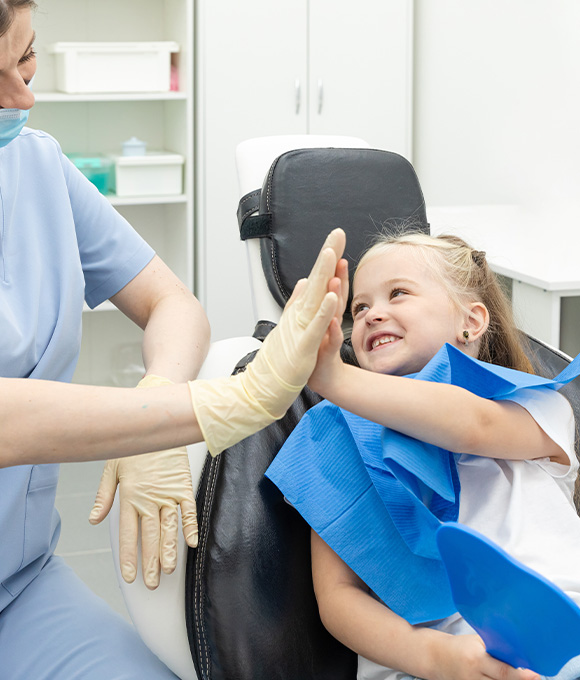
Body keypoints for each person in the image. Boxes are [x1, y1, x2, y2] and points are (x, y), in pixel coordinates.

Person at [0, 1, 345, 677]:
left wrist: (162, 387)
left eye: (26, 58)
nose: (23, 96)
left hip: (20, 588)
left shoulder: (36, 168)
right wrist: (216, 406)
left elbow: (171, 303)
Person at [268, 231, 580, 680]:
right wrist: (439, 658)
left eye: (398, 293)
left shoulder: (537, 407)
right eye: (359, 308)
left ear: (470, 321)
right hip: (434, 664)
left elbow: (471, 427)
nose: (372, 314)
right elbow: (338, 597)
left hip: (565, 630)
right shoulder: (334, 441)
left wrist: (334, 379)